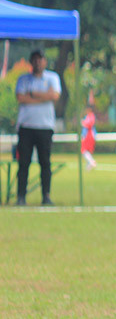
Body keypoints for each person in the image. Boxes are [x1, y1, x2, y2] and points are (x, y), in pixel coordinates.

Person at [14, 50, 61, 206]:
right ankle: (21, 196)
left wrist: (33, 94)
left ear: (45, 61)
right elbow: (21, 98)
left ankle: (46, 196)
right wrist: (44, 97)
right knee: (23, 163)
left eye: (40, 60)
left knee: (45, 163)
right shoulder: (23, 79)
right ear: (31, 62)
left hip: (45, 127)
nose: (38, 63)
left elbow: (54, 96)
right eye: (35, 60)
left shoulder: (52, 78)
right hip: (26, 127)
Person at [81, 104, 98, 171]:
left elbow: (89, 124)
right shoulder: (87, 116)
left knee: (84, 150)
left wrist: (83, 123)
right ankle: (89, 165)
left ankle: (92, 161)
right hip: (86, 135)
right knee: (86, 151)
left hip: (89, 135)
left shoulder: (91, 116)